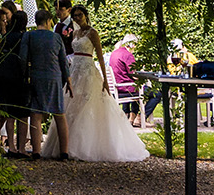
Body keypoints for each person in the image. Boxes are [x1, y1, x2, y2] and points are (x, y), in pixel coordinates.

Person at [61, 8, 149, 162]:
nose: (77, 18)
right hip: (75, 70)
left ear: (85, 15)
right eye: (75, 16)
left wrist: (106, 81)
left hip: (88, 71)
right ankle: (67, 145)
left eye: (79, 15)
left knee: (87, 105)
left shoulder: (93, 33)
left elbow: (101, 57)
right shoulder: (75, 33)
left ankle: (85, 146)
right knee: (72, 105)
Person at [20, 9, 70, 160]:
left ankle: (36, 152)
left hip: (36, 76)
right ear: (48, 21)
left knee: (35, 114)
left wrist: (24, 75)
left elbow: (23, 58)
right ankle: (64, 152)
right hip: (54, 77)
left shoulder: (29, 36)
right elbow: (63, 61)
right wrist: (68, 80)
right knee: (59, 114)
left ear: (36, 21)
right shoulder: (56, 37)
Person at [0, 8, 31, 156]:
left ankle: (9, 145)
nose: (5, 22)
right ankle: (7, 145)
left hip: (3, 76)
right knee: (12, 112)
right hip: (12, 75)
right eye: (2, 20)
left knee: (8, 112)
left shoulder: (6, 36)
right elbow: (5, 48)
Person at [107, 33, 142, 126]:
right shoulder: (127, 55)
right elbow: (133, 74)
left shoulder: (114, 53)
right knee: (154, 94)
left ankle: (132, 118)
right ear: (132, 44)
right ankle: (140, 118)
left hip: (117, 87)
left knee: (138, 88)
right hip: (125, 87)